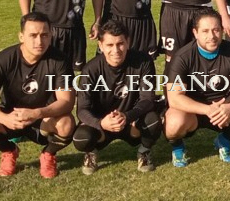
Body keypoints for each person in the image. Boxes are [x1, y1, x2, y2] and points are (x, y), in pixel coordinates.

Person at [0, 12, 75, 178]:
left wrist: (37, 113)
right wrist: (5, 119)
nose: (39, 41)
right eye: (33, 35)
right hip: (10, 117)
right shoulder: (2, 60)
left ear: (51, 35)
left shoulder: (60, 61)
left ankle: (48, 154)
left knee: (66, 123)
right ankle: (9, 150)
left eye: (44, 35)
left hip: (42, 119)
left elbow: (67, 101)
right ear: (21, 36)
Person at [162, 10, 230, 165]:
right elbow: (175, 98)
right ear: (195, 33)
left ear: (222, 30)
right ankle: (178, 148)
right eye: (205, 31)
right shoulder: (182, 57)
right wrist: (207, 109)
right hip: (194, 109)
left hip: (225, 107)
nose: (212, 36)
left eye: (216, 30)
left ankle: (224, 140)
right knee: (173, 123)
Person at [71, 21, 166, 174]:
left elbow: (147, 100)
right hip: (103, 125)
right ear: (101, 45)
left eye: (120, 44)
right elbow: (82, 110)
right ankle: (91, 152)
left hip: (131, 121)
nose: (116, 50)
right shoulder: (90, 69)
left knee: (153, 120)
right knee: (81, 138)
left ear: (128, 42)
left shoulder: (143, 62)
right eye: (109, 45)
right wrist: (101, 123)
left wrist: (127, 116)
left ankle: (144, 151)